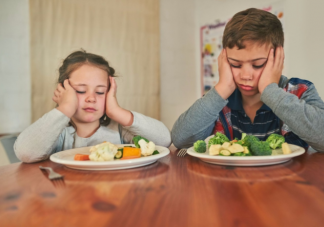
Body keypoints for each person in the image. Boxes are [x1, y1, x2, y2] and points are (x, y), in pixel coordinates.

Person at [171, 8, 324, 152]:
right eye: (235, 64)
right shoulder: (219, 100)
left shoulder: (301, 90)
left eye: (257, 65)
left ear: (279, 59)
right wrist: (222, 88)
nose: (245, 75)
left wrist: (270, 91)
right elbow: (180, 139)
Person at [15, 50, 171, 163]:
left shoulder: (119, 130)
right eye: (81, 91)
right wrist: (65, 108)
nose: (91, 98)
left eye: (100, 92)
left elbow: (163, 140)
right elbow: (25, 153)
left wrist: (117, 112)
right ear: (63, 91)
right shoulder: (57, 134)